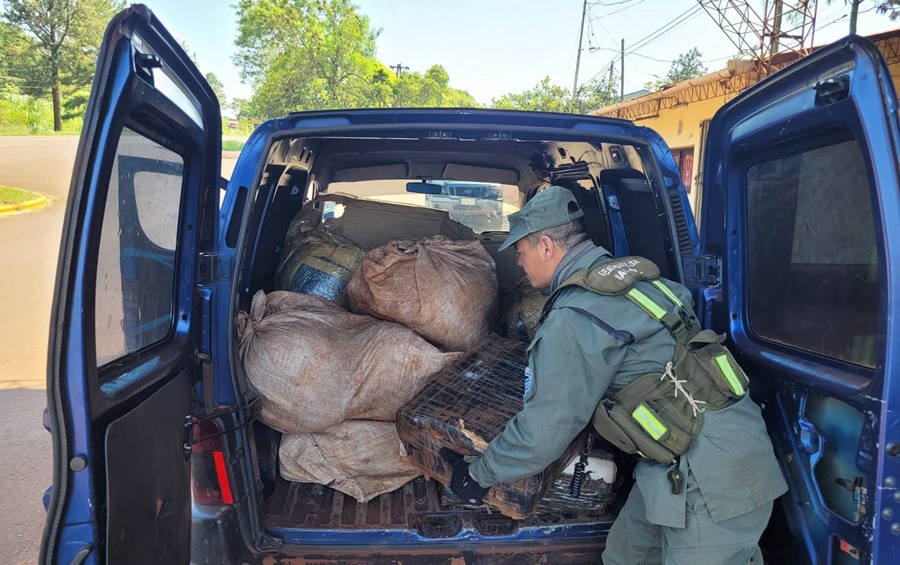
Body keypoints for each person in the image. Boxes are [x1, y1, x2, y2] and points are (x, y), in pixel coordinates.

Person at [440, 186, 788, 564]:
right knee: (624, 556)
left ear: (546, 246)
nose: (520, 263)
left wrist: (478, 475)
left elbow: (545, 430)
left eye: (521, 252)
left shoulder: (574, 317)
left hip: (715, 479)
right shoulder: (641, 283)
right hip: (674, 466)